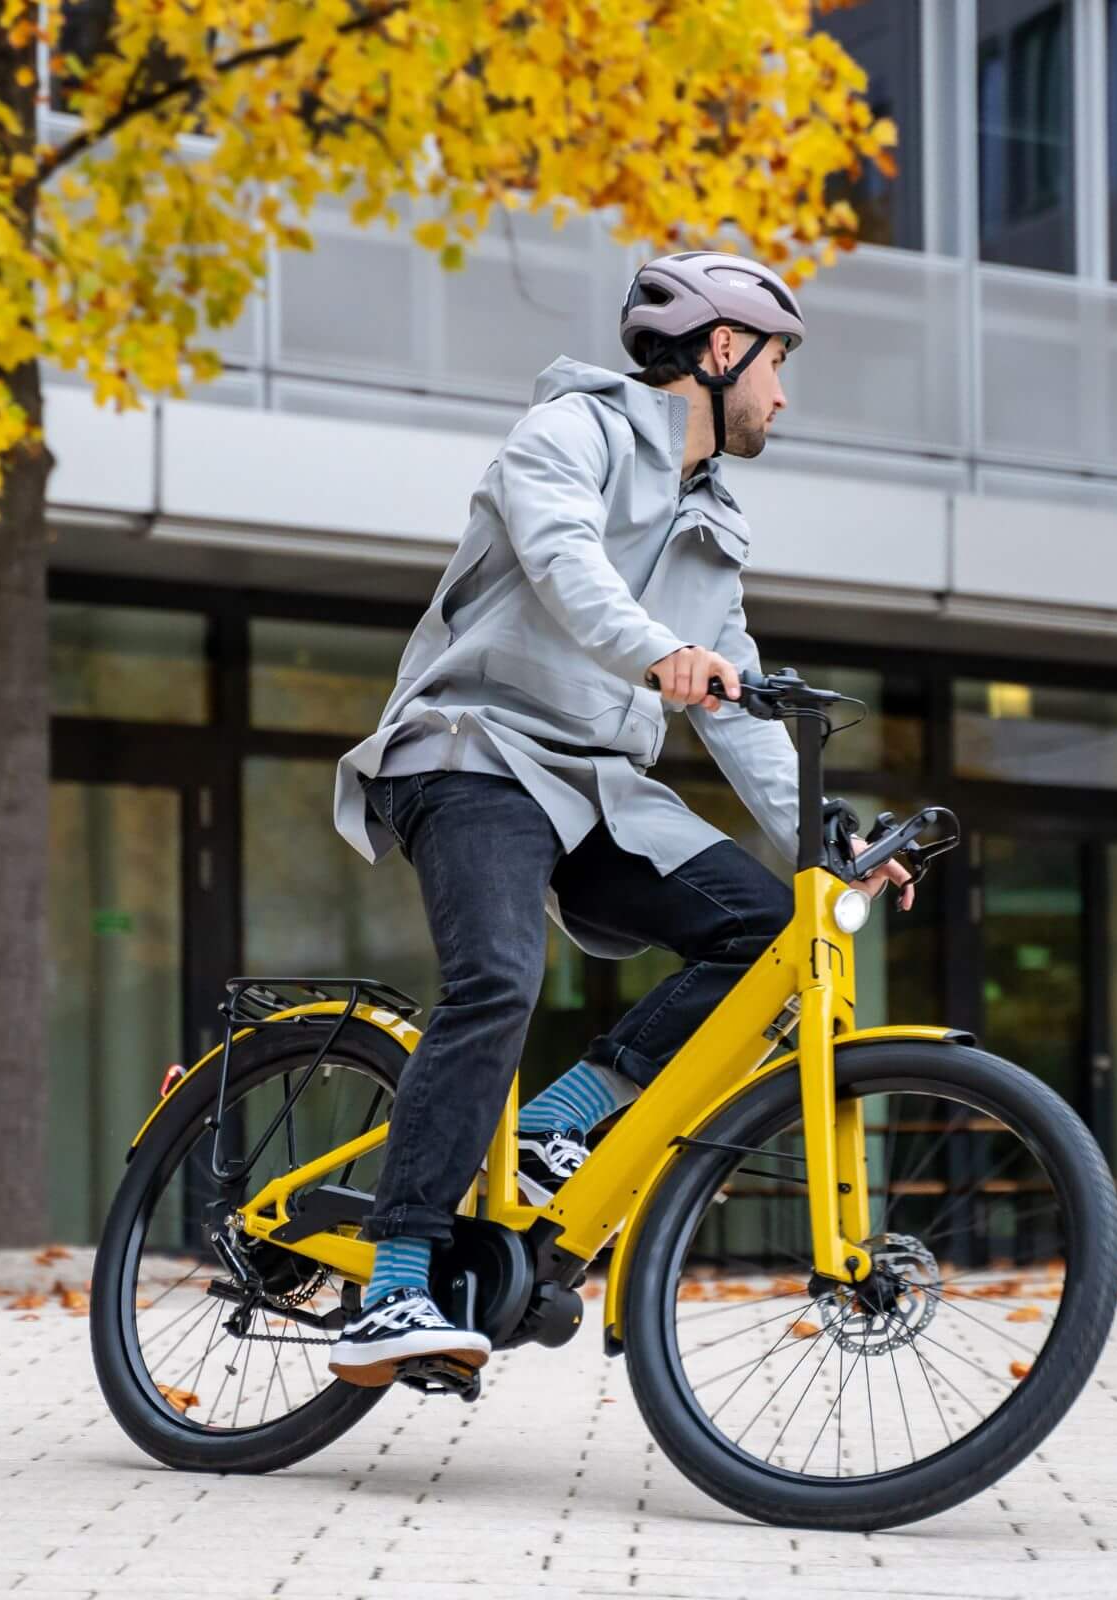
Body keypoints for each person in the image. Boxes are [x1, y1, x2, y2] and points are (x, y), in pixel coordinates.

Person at [322, 250, 912, 1386]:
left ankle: (561, 1118)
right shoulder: (568, 432)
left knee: (763, 936)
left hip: (598, 784)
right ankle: (393, 1289)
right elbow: (562, 561)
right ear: (720, 349)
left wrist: (828, 833)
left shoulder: (712, 520)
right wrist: (657, 653)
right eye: (778, 363)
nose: (782, 396)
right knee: (497, 975)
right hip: (474, 748)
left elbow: (735, 696)